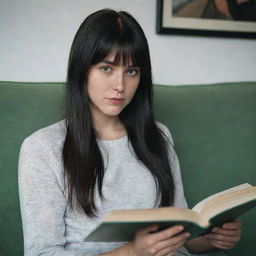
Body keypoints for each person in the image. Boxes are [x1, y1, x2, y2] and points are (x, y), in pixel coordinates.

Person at [18, 9, 241, 256]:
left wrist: (211, 240)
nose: (120, 86)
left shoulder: (159, 136)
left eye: (131, 71)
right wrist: (133, 251)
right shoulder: (42, 147)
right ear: (82, 69)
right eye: (106, 68)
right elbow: (41, 253)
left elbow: (180, 237)